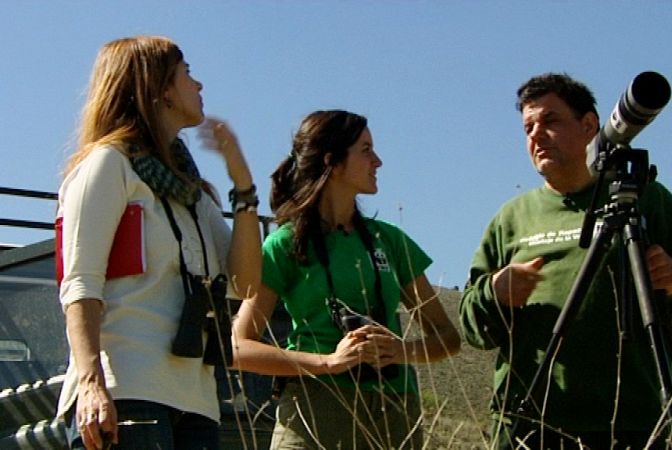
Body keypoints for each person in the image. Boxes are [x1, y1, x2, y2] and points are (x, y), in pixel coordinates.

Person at [459, 73, 672, 449]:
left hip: (629, 423)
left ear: (589, 126)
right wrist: (493, 294)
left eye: (550, 121)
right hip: (532, 421)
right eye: (528, 127)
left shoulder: (648, 201)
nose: (535, 135)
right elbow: (471, 328)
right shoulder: (512, 217)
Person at [55, 36, 262, 450]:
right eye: (187, 74)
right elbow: (79, 282)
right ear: (160, 88)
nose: (199, 85)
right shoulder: (108, 164)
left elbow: (245, 284)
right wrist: (92, 384)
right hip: (126, 388)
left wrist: (243, 188)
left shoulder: (195, 193)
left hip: (197, 399)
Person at [231, 109, 461, 449]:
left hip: (393, 409)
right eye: (366, 150)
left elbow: (448, 338)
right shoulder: (285, 245)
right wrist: (327, 363)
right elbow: (238, 346)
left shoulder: (391, 241)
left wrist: (400, 351)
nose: (378, 161)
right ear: (333, 162)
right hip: (314, 409)